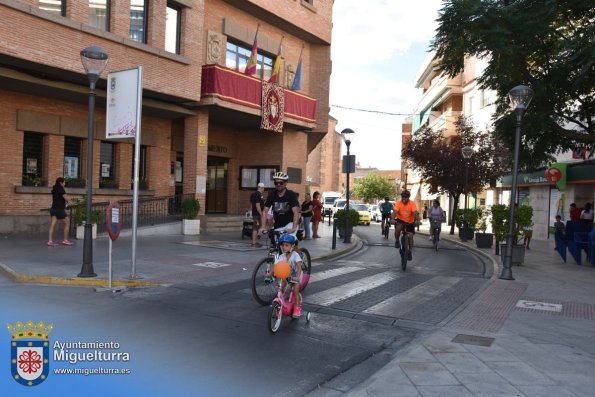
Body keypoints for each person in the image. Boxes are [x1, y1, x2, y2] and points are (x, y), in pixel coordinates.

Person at [258, 171, 300, 238]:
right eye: (276, 183)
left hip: (290, 224)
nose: (278, 185)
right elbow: (265, 211)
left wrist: (293, 228)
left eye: (281, 182)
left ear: (286, 183)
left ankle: (294, 247)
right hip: (278, 226)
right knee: (275, 245)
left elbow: (296, 212)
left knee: (287, 242)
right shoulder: (272, 195)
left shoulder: (291, 195)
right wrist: (262, 227)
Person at [274, 234, 303, 318]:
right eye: (283, 245)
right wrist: (270, 274)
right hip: (287, 275)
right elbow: (276, 266)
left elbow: (299, 267)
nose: (284, 247)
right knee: (281, 287)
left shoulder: (295, 255)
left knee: (295, 291)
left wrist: (297, 277)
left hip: (296, 275)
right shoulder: (282, 256)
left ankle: (297, 308)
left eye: (286, 245)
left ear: (292, 246)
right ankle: (280, 303)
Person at [393, 190, 419, 260]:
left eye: (406, 197)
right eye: (403, 197)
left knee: (410, 236)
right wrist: (392, 219)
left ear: (408, 197)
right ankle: (397, 241)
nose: (404, 198)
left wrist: (417, 220)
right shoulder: (398, 203)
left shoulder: (412, 204)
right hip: (400, 220)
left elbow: (415, 213)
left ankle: (410, 251)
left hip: (410, 222)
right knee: (398, 228)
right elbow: (394, 212)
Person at [48, 177, 73, 246]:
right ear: (61, 183)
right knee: (67, 223)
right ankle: (65, 240)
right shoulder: (61, 189)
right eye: (64, 182)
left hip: (53, 209)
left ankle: (50, 241)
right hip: (59, 209)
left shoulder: (54, 189)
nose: (64, 184)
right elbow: (66, 198)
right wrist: (68, 201)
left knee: (52, 225)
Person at [250, 182, 265, 247]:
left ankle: (256, 241)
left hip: (256, 214)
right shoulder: (258, 195)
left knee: (259, 227)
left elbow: (251, 204)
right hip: (257, 214)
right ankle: (254, 243)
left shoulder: (253, 194)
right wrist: (261, 213)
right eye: (263, 188)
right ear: (261, 187)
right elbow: (257, 205)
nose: (263, 189)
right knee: (255, 228)